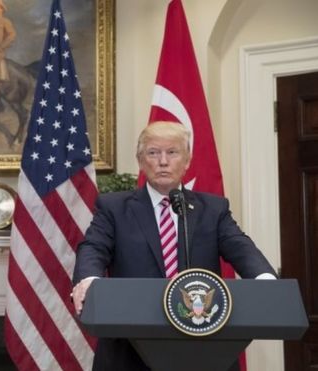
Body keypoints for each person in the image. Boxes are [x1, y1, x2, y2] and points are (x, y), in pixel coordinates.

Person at [71, 121, 276, 371]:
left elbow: (240, 246)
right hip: (131, 349)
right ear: (140, 160)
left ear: (187, 160)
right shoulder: (114, 208)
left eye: (172, 152)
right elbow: (93, 247)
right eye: (153, 152)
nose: (163, 161)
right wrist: (89, 279)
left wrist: (265, 280)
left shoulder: (213, 209)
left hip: (203, 347)